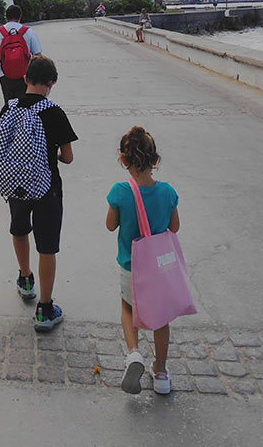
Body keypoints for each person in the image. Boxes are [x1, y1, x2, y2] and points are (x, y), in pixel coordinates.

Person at [0, 56, 77, 331]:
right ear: (52, 83)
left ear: (25, 79)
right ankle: (44, 308)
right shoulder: (54, 112)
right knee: (48, 246)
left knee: (19, 229)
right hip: (47, 187)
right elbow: (68, 157)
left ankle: (25, 279)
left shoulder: (10, 107)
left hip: (15, 184)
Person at [105, 126, 180, 395]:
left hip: (130, 266)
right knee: (161, 319)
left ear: (123, 160)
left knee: (128, 307)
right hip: (159, 269)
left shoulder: (120, 192)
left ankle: (134, 353)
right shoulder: (168, 192)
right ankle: (160, 373)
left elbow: (110, 225)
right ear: (155, 160)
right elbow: (174, 227)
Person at [0, 4, 42, 104]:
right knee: (25, 106)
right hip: (25, 76)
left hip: (4, 75)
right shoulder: (28, 32)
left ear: (6, 17)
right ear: (20, 17)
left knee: (9, 106)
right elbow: (38, 56)